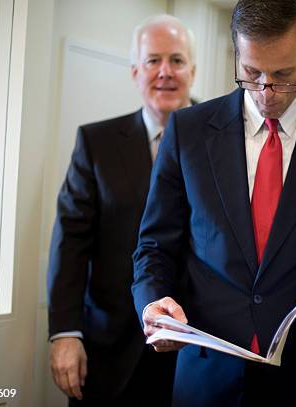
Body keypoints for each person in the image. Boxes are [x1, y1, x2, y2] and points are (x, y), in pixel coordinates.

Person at [132, 1, 296, 406]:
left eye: (283, 75)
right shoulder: (188, 131)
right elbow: (154, 245)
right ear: (237, 53)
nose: (266, 90)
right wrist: (153, 300)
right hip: (205, 378)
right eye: (251, 73)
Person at [47, 14, 196, 406]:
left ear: (193, 71)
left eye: (177, 60)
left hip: (195, 352)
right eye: (153, 60)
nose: (165, 72)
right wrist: (65, 333)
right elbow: (70, 244)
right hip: (108, 353)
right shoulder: (96, 144)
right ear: (135, 71)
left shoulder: (222, 143)